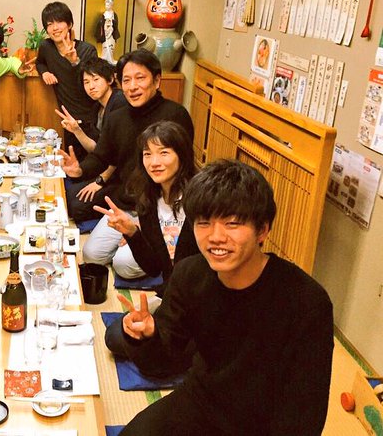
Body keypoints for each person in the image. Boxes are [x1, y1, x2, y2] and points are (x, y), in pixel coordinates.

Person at [118, 160, 334, 435]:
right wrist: (146, 336)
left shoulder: (306, 302)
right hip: (202, 400)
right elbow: (163, 362)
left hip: (262, 425)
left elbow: (304, 412)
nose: (216, 237)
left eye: (232, 223)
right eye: (204, 223)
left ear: (262, 230)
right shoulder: (189, 275)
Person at [60, 49, 193, 272]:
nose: (132, 86)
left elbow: (185, 169)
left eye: (140, 78)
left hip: (161, 208)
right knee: (92, 255)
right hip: (126, 204)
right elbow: (102, 156)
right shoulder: (117, 117)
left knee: (123, 265)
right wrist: (79, 170)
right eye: (126, 80)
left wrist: (143, 227)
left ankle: (162, 260)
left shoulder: (175, 115)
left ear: (157, 80)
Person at [99, 121, 199, 378]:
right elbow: (154, 267)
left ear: (182, 154)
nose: (154, 162)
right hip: (171, 298)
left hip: (200, 306)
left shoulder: (199, 200)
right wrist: (132, 233)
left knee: (158, 358)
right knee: (115, 335)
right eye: (147, 154)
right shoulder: (149, 199)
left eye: (164, 153)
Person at [55, 57, 126, 222]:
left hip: (121, 176)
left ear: (110, 79)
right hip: (105, 168)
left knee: (74, 206)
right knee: (66, 192)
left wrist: (100, 181)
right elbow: (97, 150)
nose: (91, 86)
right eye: (86, 82)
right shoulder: (97, 107)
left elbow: (120, 153)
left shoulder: (119, 102)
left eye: (96, 79)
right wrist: (77, 130)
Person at [37, 1, 98, 161]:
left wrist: (74, 61)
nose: (55, 28)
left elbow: (91, 83)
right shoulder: (46, 47)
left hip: (90, 118)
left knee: (94, 162)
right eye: (49, 24)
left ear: (70, 24)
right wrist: (44, 72)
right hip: (68, 118)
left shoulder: (87, 50)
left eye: (59, 22)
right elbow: (40, 62)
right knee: (73, 165)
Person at [94, 0, 120, 64]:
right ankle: (104, 59)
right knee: (105, 47)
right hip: (105, 34)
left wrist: (111, 22)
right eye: (106, 5)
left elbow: (116, 24)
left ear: (111, 5)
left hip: (111, 34)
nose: (107, 6)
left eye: (108, 5)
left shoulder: (114, 14)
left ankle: (111, 59)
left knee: (111, 47)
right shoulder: (104, 14)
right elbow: (100, 23)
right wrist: (104, 23)